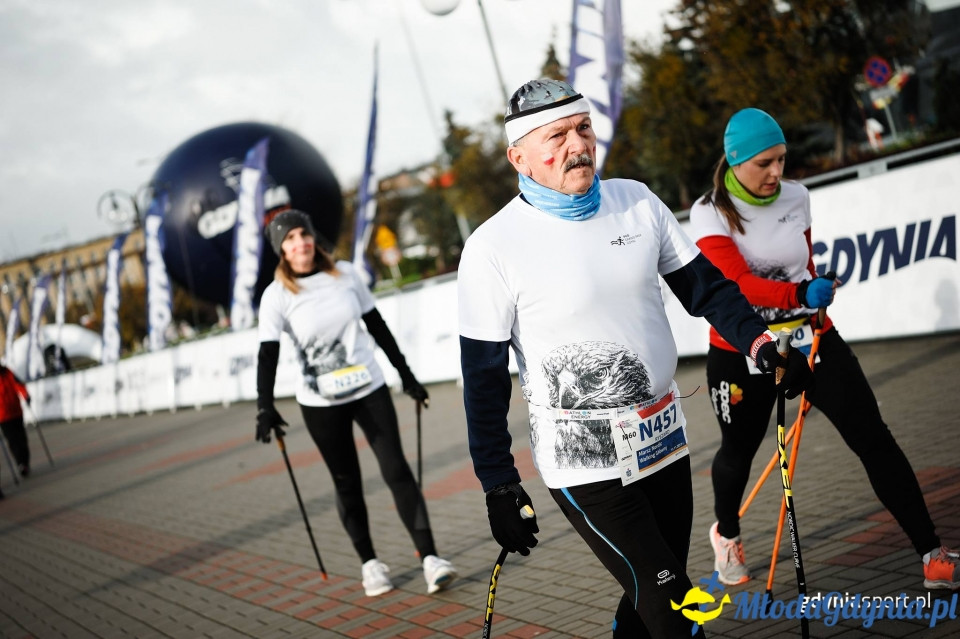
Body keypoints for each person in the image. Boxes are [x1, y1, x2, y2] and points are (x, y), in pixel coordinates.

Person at [457, 80, 814, 638]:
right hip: (586, 463)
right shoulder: (491, 247)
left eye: (583, 128)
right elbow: (482, 382)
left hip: (662, 439)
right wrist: (498, 484)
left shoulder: (636, 201)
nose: (577, 145)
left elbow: (708, 291)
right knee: (674, 602)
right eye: (557, 136)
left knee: (646, 592)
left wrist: (762, 347)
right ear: (518, 157)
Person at [688, 107, 959, 590]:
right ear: (734, 162)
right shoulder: (710, 211)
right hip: (743, 349)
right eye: (764, 163)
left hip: (811, 339)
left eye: (782, 160)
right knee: (737, 454)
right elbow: (738, 285)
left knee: (873, 438)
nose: (776, 172)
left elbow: (802, 264)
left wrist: (814, 290)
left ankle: (932, 554)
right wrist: (796, 294)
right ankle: (726, 534)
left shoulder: (796, 196)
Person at [255, 210, 458, 597]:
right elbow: (267, 354)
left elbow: (377, 327)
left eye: (304, 233)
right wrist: (265, 405)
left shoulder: (345, 275)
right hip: (320, 402)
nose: (301, 242)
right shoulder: (277, 296)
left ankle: (431, 559)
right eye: (290, 238)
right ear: (281, 248)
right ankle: (370, 565)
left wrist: (407, 374)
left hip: (369, 387)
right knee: (346, 482)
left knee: (397, 470)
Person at [0, 363, 32, 487]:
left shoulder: (7, 372)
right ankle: (21, 464)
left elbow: (18, 384)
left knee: (22, 439)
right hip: (3, 417)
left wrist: (26, 395)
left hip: (16, 412)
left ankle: (25, 462)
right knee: (13, 441)